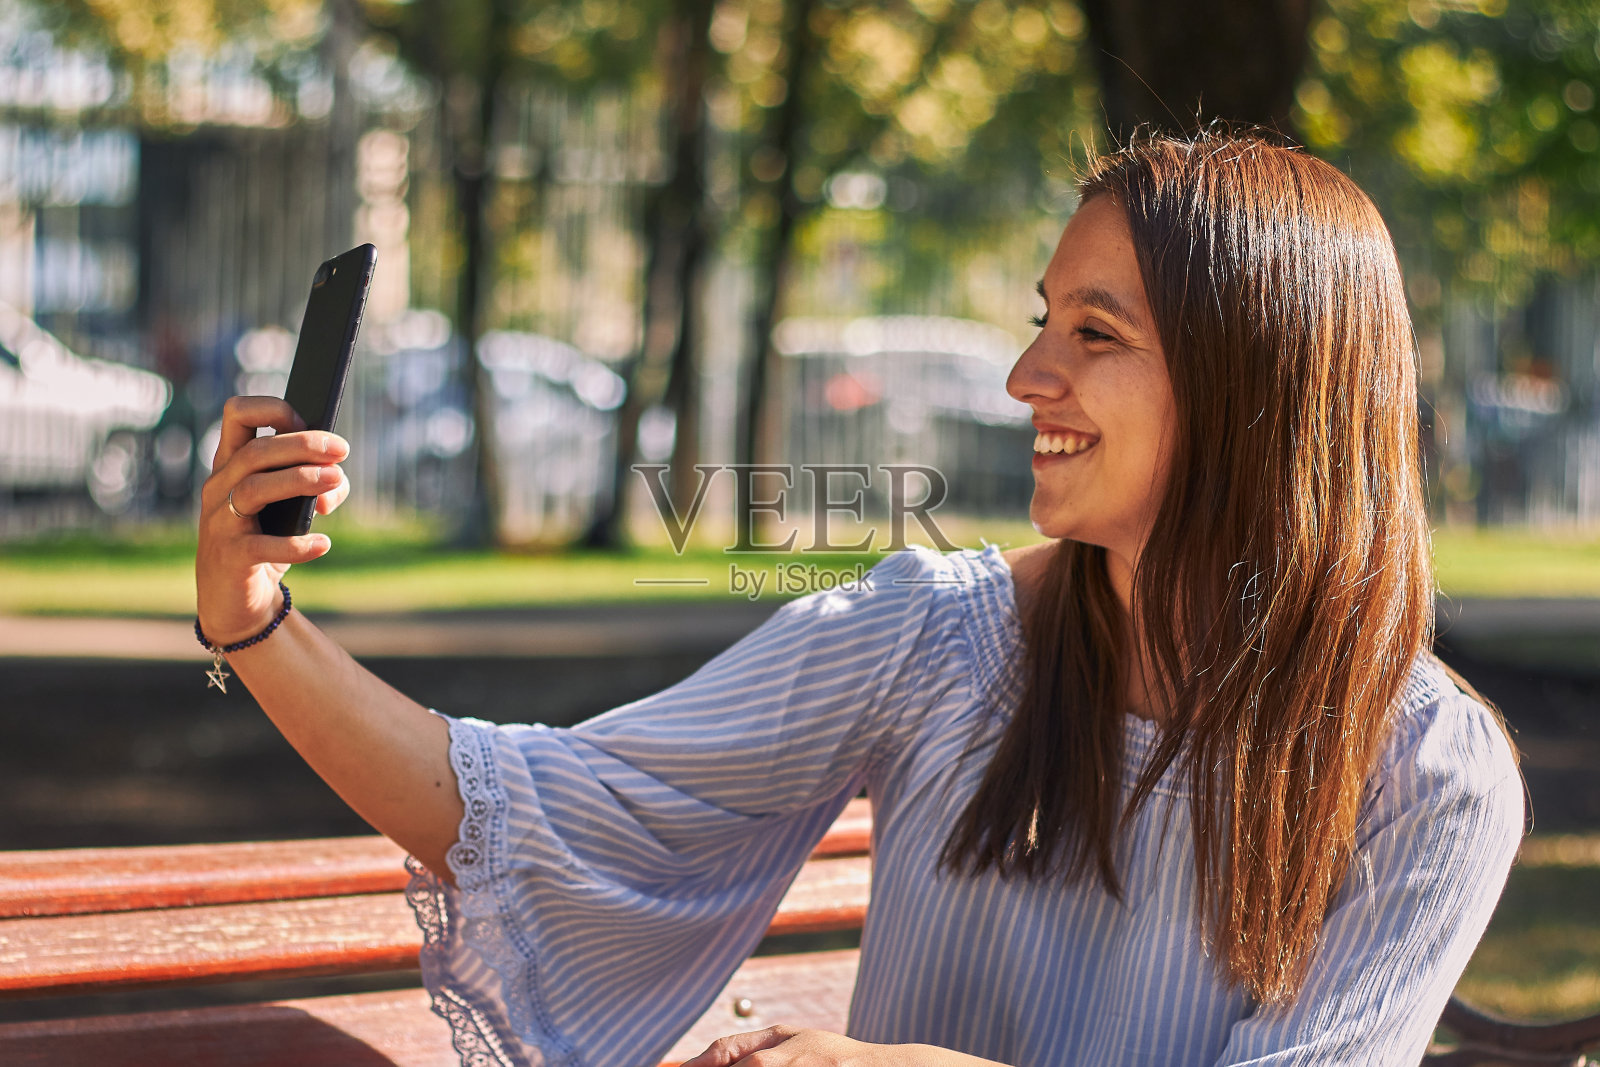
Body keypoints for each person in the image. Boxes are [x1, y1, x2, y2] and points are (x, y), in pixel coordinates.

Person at [194, 129, 1524, 1067]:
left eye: (1094, 335)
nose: (1024, 377)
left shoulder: (1428, 772)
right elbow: (529, 814)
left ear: (1254, 385)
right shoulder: (933, 637)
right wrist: (254, 617)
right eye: (1042, 317)